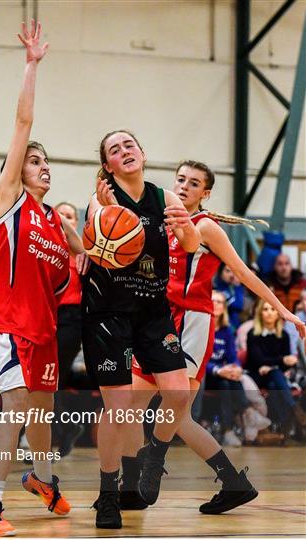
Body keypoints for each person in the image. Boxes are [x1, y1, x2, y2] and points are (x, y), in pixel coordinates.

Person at [127, 159, 306, 515]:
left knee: (173, 408)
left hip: (191, 320)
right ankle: (233, 482)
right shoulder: (157, 219)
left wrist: (283, 311)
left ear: (205, 193)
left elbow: (243, 273)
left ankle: (150, 463)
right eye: (180, 179)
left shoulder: (205, 226)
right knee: (135, 407)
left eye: (194, 183)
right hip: (157, 319)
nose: (184, 186)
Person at [0, 21, 87, 537]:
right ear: (16, 172)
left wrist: (85, 228)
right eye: (34, 161)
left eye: (46, 163)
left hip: (43, 334)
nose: (42, 167)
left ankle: (41, 480)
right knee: (16, 409)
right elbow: (22, 124)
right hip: (7, 327)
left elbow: (88, 256)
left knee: (42, 416)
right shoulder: (12, 203)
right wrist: (32, 65)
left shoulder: (55, 227)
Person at [82, 130, 200, 529]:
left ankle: (155, 455)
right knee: (118, 410)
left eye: (129, 145)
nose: (124, 151)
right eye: (114, 150)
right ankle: (108, 493)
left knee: (180, 394)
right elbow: (100, 255)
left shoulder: (164, 197)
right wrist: (110, 214)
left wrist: (184, 224)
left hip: (153, 312)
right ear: (108, 166)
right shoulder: (99, 200)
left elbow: (191, 243)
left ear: (143, 154)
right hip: (109, 314)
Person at [205, 291, 270, 446]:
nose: (216, 304)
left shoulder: (227, 331)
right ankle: (246, 415)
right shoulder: (202, 327)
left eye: (220, 301)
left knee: (228, 383)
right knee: (226, 382)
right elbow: (198, 359)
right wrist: (219, 370)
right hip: (206, 375)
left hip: (224, 376)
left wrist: (236, 368)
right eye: (212, 300)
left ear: (224, 307)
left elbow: (233, 356)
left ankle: (228, 431)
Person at [246, 300, 306, 433]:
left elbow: (286, 365)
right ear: (260, 313)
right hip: (257, 375)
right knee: (276, 374)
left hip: (275, 377)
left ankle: (284, 424)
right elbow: (258, 360)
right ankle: (294, 409)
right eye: (265, 309)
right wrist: (280, 361)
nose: (269, 313)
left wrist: (273, 366)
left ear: (278, 314)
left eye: (273, 310)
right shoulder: (252, 334)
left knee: (274, 382)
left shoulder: (283, 335)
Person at [53, 202, 84, 457]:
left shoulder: (82, 252)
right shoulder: (44, 248)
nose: (64, 218)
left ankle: (65, 429)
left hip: (71, 318)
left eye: (69, 215)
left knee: (50, 380)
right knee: (44, 383)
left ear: (76, 223)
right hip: (44, 317)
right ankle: (66, 428)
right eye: (59, 214)